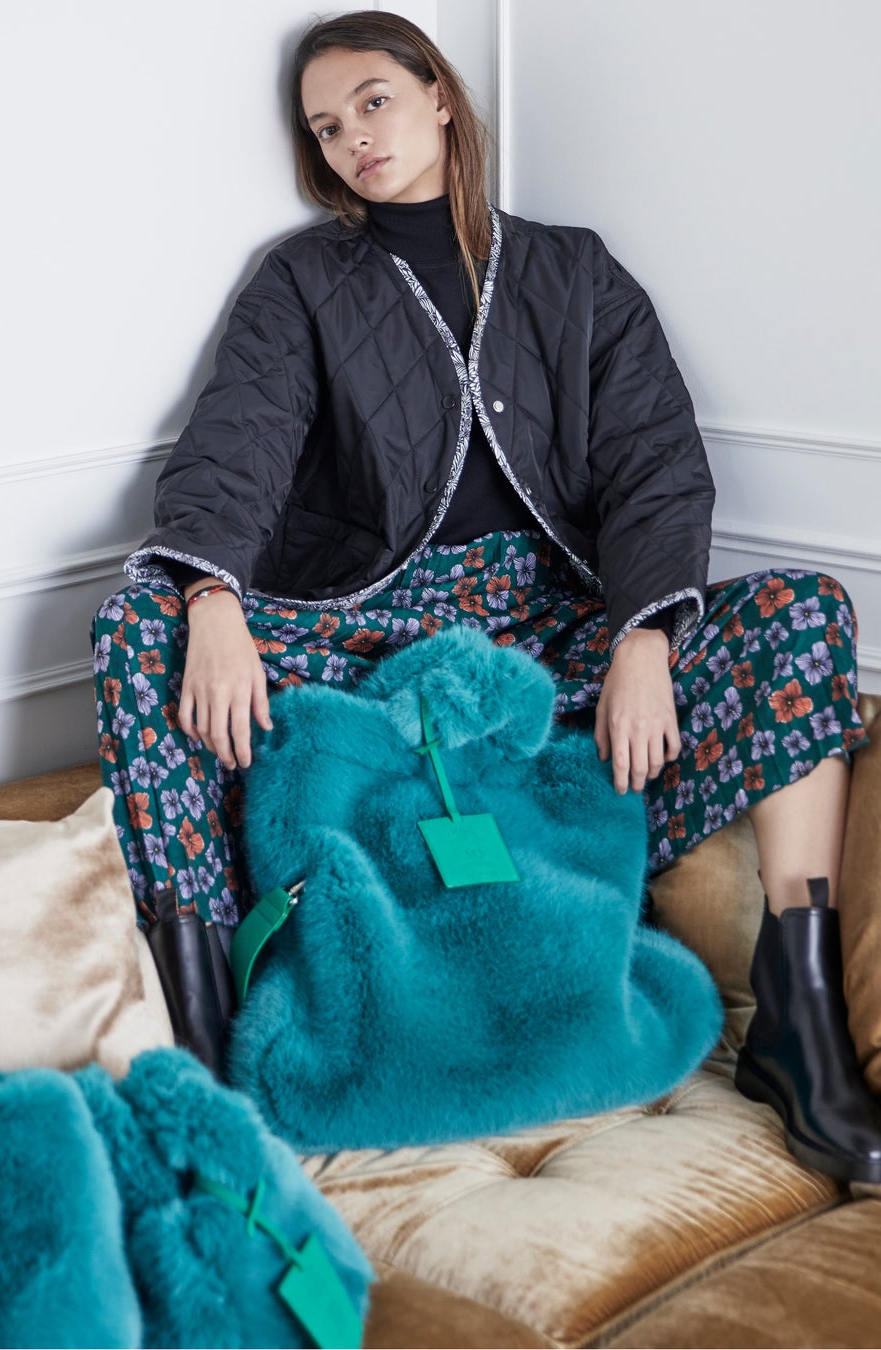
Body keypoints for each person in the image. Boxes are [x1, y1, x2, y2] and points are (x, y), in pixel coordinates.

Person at [88, 10, 881, 1181]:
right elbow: (235, 447)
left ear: (441, 98)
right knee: (138, 627)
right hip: (367, 640)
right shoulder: (303, 282)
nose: (354, 138)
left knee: (804, 611)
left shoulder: (577, 273)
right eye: (326, 126)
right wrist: (209, 599)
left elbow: (657, 468)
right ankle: (208, 1051)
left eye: (372, 101)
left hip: (551, 650)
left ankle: (801, 1028)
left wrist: (645, 637)